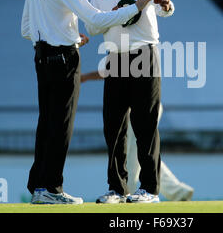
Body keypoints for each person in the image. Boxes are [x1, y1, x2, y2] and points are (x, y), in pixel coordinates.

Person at [21, 0, 154, 204]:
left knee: (45, 122)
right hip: (63, 60)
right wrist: (135, 8)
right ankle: (52, 189)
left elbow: (26, 29)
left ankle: (38, 187)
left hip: (41, 57)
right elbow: (94, 18)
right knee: (61, 124)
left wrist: (69, 36)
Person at [84, 0, 175, 204]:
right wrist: (116, 14)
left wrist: (166, 4)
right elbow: (92, 25)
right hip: (115, 57)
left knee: (145, 124)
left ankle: (150, 189)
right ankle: (116, 188)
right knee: (113, 125)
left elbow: (166, 10)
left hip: (144, 53)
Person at [81, 71, 194, 201]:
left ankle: (131, 192)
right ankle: (178, 192)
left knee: (137, 153)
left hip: (137, 106)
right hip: (137, 105)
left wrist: (85, 77)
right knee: (142, 152)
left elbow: (112, 69)